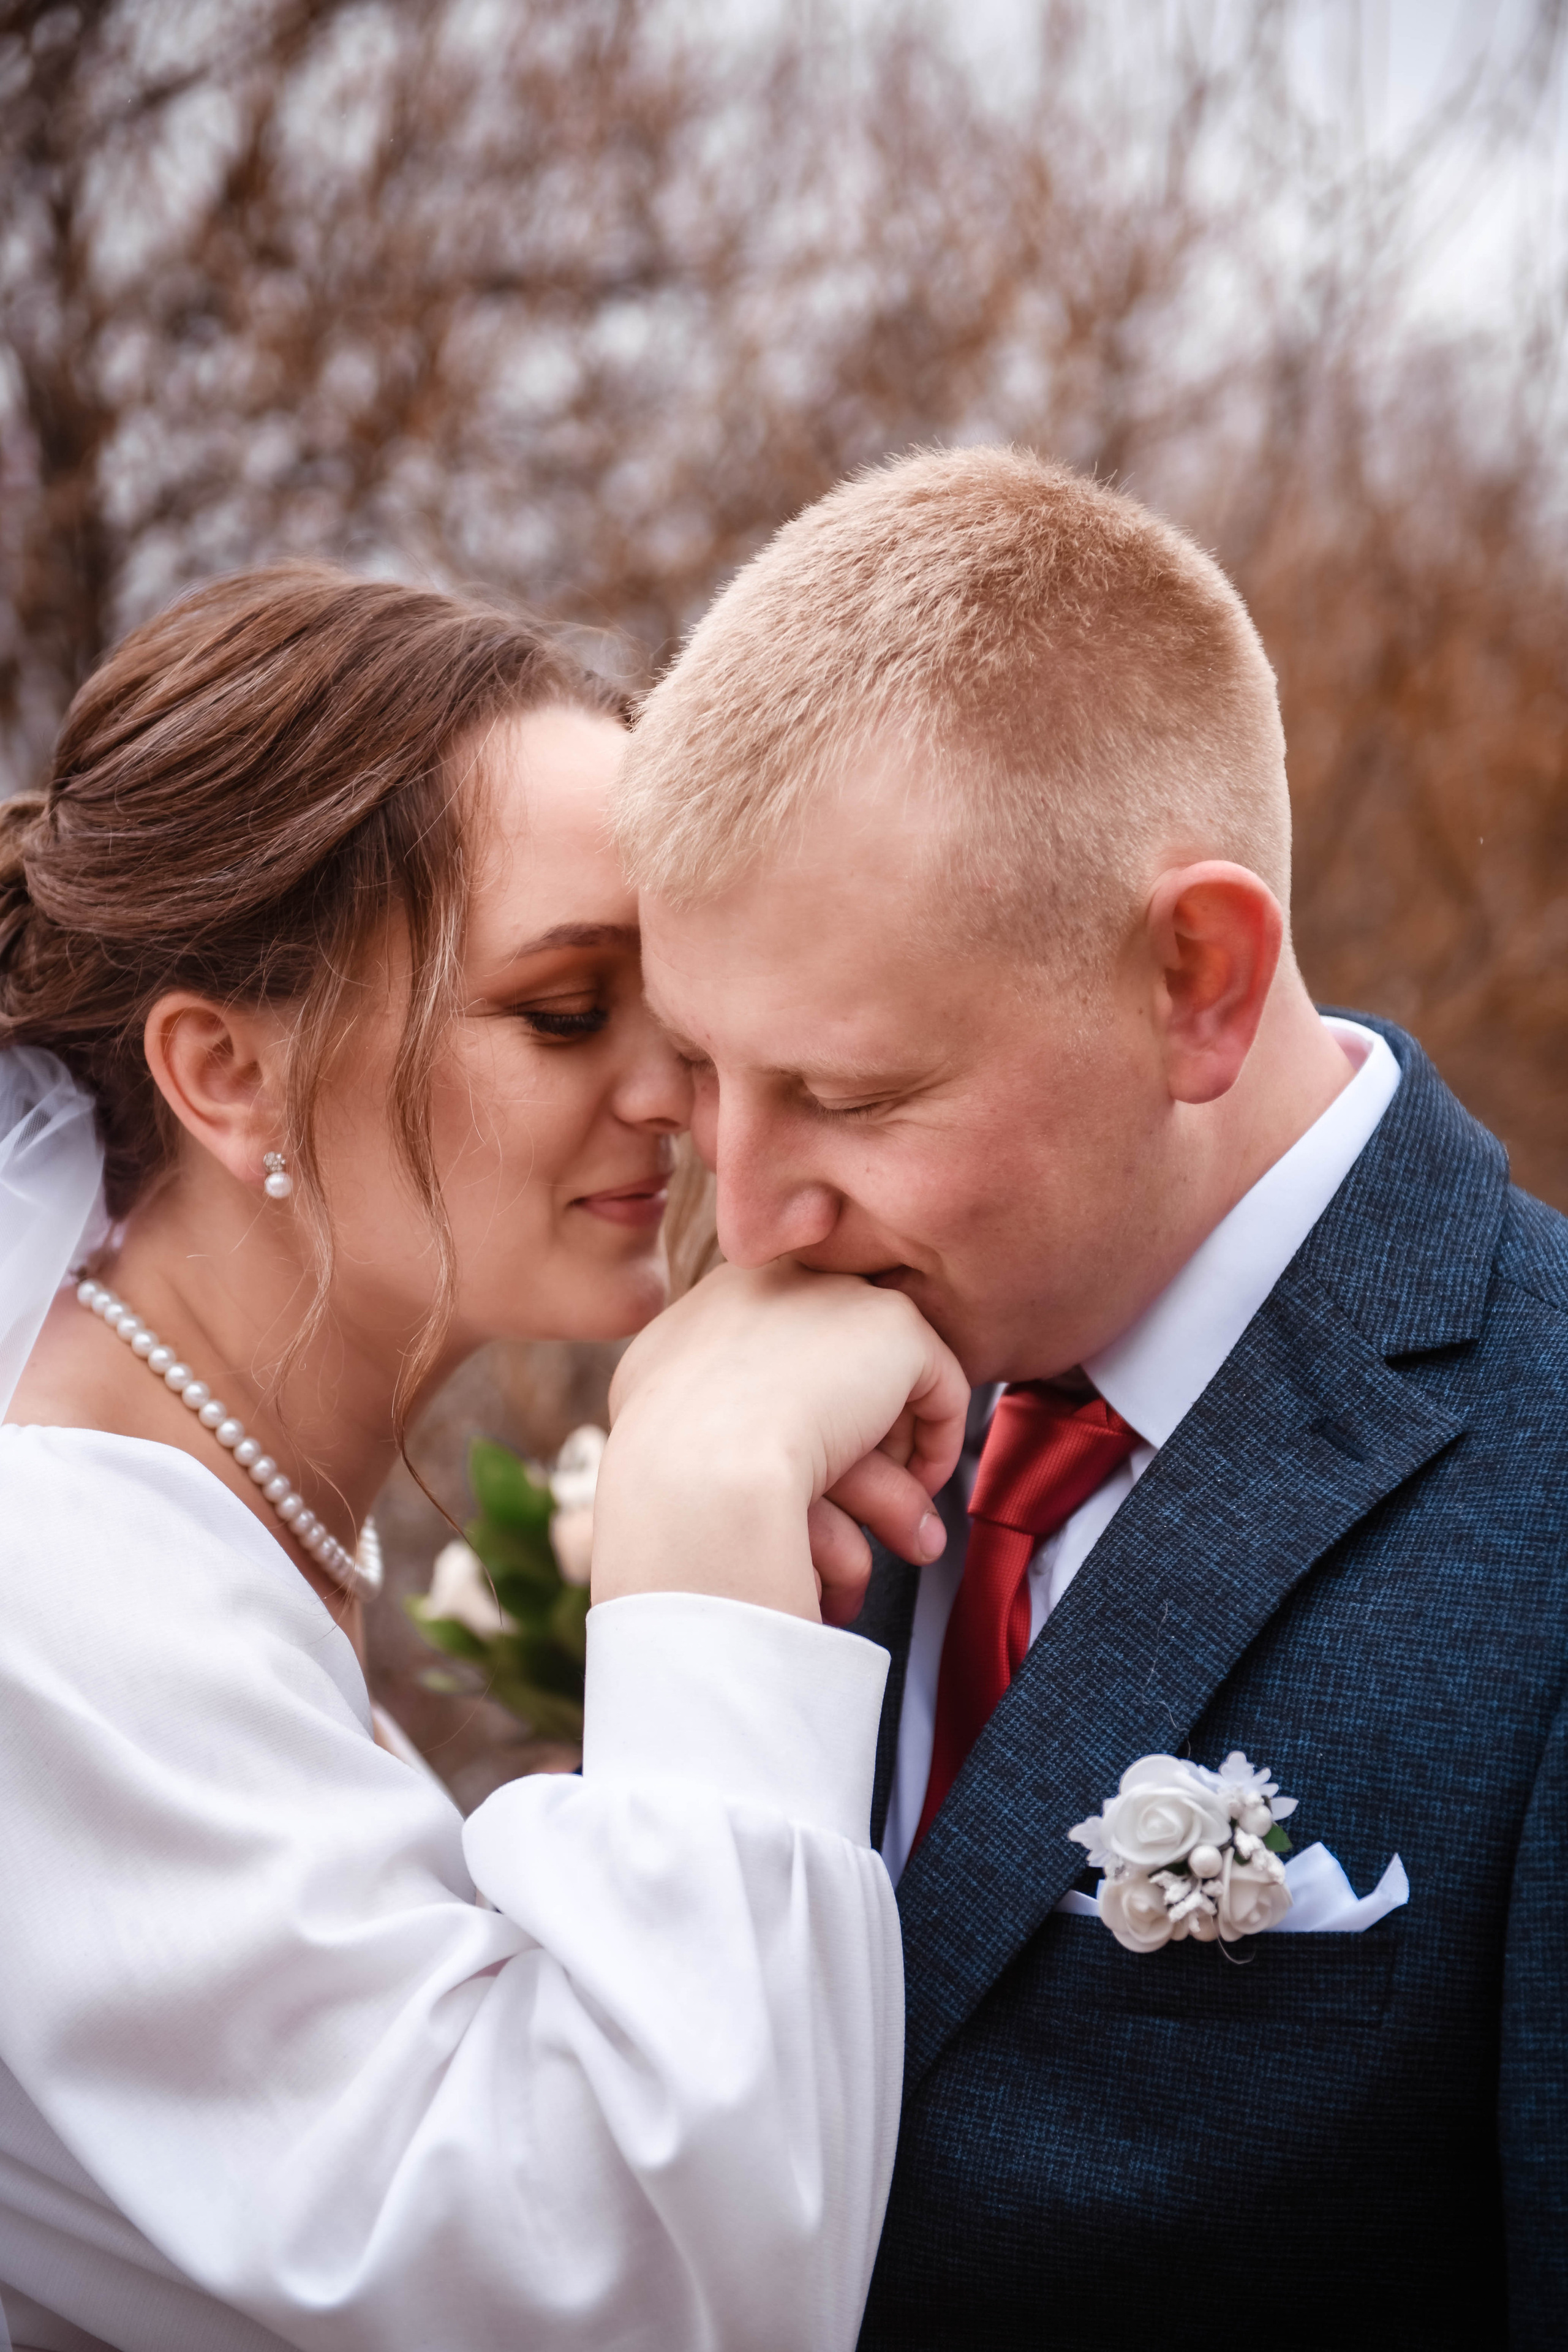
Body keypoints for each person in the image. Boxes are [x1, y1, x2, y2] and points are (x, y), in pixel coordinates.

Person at [615, 445, 1568, 2350]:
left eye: (854, 1097)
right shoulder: (801, 1408)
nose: (748, 1218)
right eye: (704, 1071)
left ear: (1197, 979)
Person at [0, 564, 969, 2352]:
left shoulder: (207, 1522)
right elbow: (636, 2295)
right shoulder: (48, 1591)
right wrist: (703, 1503)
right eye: (564, 1009)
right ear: (226, 1072)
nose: (681, 1098)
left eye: (675, 1009)